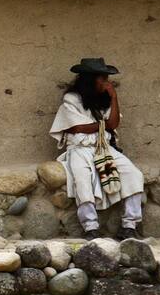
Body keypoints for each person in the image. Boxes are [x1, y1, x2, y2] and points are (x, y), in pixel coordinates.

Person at [49, 58, 145, 241]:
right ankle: (90, 227)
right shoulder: (71, 99)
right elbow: (76, 128)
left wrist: (114, 97)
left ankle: (129, 225)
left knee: (134, 175)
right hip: (79, 150)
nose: (106, 83)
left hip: (105, 148)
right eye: (102, 79)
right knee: (82, 180)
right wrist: (103, 125)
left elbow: (114, 123)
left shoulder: (105, 99)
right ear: (89, 79)